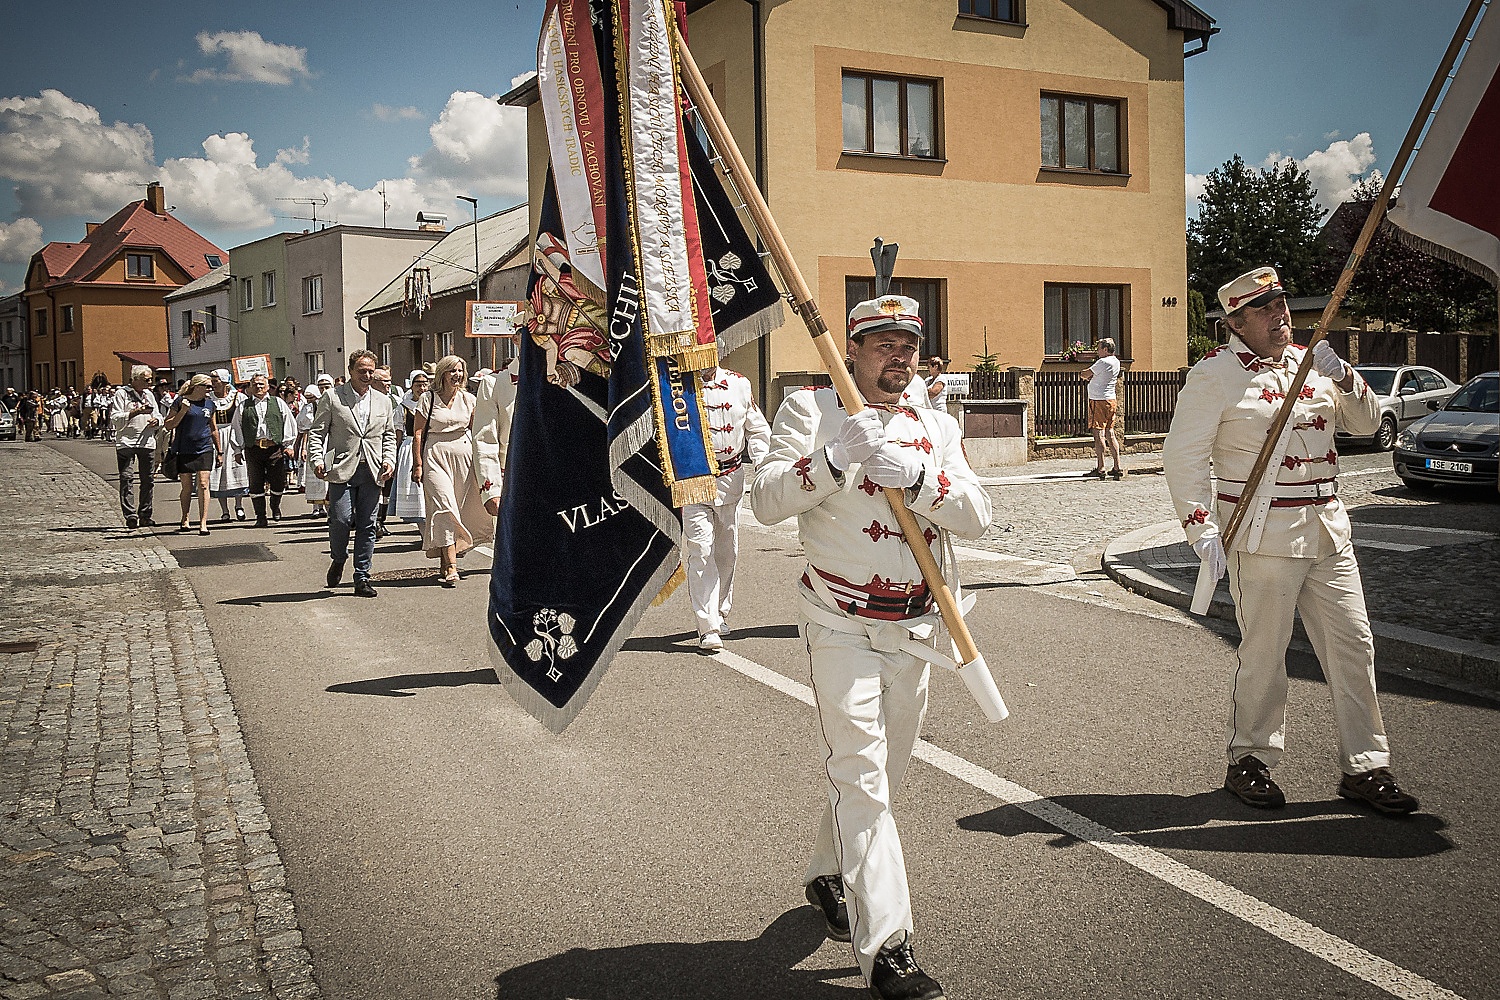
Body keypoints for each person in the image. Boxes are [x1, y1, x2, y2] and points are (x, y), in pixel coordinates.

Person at [751, 294, 991, 1000]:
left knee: (886, 773)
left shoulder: (936, 423)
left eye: (908, 343)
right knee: (860, 773)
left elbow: (978, 516)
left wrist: (917, 480)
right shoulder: (809, 410)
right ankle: (888, 947)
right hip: (839, 620)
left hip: (916, 628)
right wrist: (834, 460)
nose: (899, 356)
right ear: (850, 351)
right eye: (883, 343)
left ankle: (829, 873)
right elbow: (765, 500)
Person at [1163, 266, 1419, 815]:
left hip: (1328, 531)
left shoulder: (1313, 363)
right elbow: (1183, 458)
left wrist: (1345, 377)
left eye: (1281, 303)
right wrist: (1201, 529)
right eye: (1264, 309)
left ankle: (1366, 766)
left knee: (1355, 647)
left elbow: (1366, 425)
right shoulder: (1215, 375)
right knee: (1264, 653)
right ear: (1235, 323)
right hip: (1263, 536)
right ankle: (1250, 758)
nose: (1280, 315)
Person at [685, 366, 770, 652]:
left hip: (730, 479)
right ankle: (707, 626)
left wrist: (762, 462)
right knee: (700, 550)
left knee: (727, 551)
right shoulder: (676, 387)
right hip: (693, 478)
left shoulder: (740, 384)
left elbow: (757, 429)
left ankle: (720, 612)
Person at [309, 350, 397, 598]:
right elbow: (317, 432)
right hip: (341, 468)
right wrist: (317, 459)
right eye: (362, 371)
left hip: (372, 469)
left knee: (368, 524)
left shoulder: (383, 401)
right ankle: (338, 558)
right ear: (350, 371)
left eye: (370, 371)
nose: (367, 375)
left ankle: (362, 576)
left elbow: (389, 435)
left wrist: (389, 459)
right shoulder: (333, 397)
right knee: (340, 519)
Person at [411, 355, 492, 586]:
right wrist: (418, 464)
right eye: (452, 371)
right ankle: (452, 567)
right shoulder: (428, 399)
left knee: (459, 509)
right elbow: (418, 433)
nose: (457, 375)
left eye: (460, 370)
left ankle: (446, 557)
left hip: (464, 457)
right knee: (444, 506)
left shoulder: (468, 399)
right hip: (435, 455)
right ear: (443, 374)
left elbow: (478, 432)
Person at [230, 374, 297, 528]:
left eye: (261, 384)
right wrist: (237, 450)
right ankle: (260, 516)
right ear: (250, 387)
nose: (258, 387)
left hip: (274, 449)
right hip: (253, 449)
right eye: (255, 384)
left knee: (278, 483)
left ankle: (275, 506)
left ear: (267, 387)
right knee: (255, 484)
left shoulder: (278, 403)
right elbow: (236, 427)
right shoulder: (244, 406)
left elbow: (289, 423)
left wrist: (289, 445)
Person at [162, 374, 221, 535]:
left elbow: (213, 428)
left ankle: (203, 522)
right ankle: (185, 517)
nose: (210, 389)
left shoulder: (210, 404)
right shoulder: (180, 401)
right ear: (197, 387)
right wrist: (183, 411)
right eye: (207, 386)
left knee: (203, 484)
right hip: (184, 448)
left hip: (204, 447)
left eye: (211, 387)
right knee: (187, 487)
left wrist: (219, 451)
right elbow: (169, 425)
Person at [110, 366, 162, 529]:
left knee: (148, 479)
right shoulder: (122, 394)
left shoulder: (149, 394)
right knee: (126, 478)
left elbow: (158, 415)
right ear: (135, 379)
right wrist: (136, 412)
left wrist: (156, 421)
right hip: (126, 442)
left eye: (151, 379)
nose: (150, 382)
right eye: (147, 379)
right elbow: (115, 418)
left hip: (146, 442)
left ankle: (145, 514)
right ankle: (130, 515)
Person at [471, 360, 516, 520]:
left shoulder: (566, 376)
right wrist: (491, 491)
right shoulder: (494, 382)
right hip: (512, 482)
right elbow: (485, 440)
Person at [206, 370, 250, 522]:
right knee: (219, 472)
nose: (212, 383)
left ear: (225, 381)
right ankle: (224, 510)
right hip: (215, 436)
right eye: (212, 380)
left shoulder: (238, 397)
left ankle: (239, 505)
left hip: (234, 435)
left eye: (215, 380)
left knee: (237, 470)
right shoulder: (208, 399)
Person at [390, 370, 430, 536]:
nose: (422, 388)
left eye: (424, 384)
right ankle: (424, 534)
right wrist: (394, 457)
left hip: (429, 445)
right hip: (410, 447)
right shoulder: (403, 407)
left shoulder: (432, 403)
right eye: (418, 385)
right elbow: (398, 434)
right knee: (417, 491)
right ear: (411, 386)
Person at [1081, 338, 1124, 480]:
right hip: (1110, 399)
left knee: (1098, 433)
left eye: (1099, 349)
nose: (1097, 352)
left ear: (1105, 349)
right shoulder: (1116, 362)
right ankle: (1117, 466)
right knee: (1110, 432)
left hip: (1098, 400)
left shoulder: (1103, 362)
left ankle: (1101, 467)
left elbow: (1085, 374)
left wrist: (1087, 374)